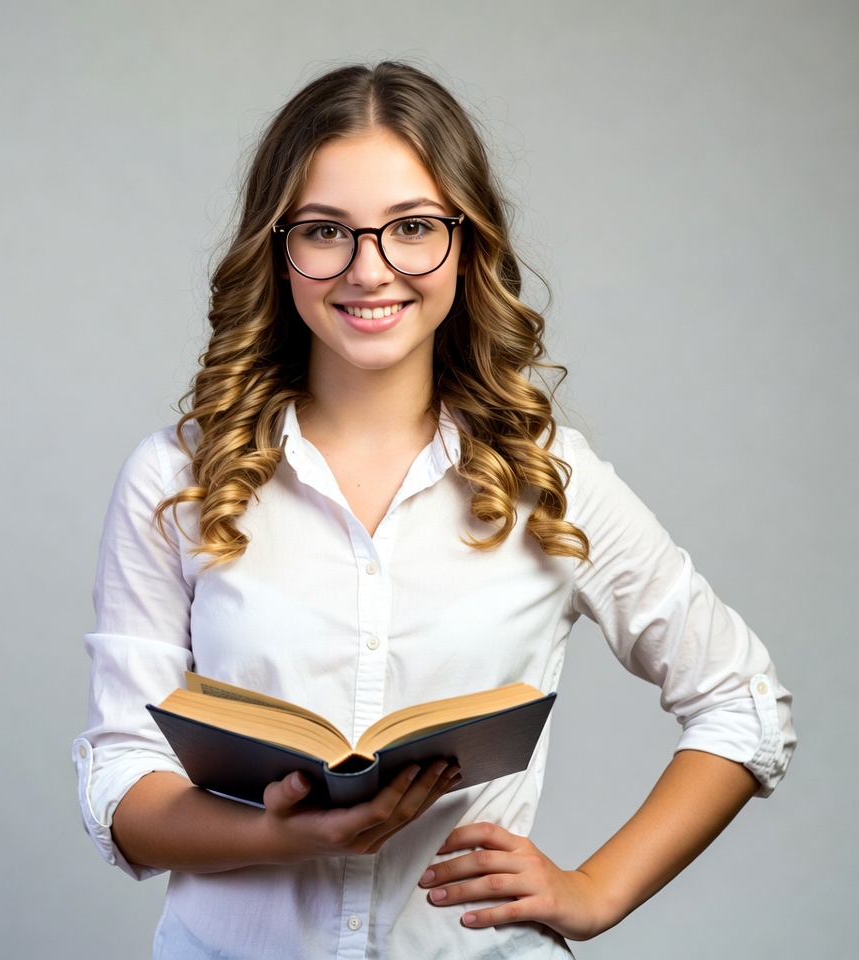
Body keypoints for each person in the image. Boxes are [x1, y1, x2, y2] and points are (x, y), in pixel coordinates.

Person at [73, 61, 795, 959]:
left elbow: (743, 702)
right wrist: (280, 835)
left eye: (412, 228)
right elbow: (122, 785)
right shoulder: (176, 478)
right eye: (327, 231)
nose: (369, 270)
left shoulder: (547, 478)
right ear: (277, 245)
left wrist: (595, 892)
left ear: (466, 240)